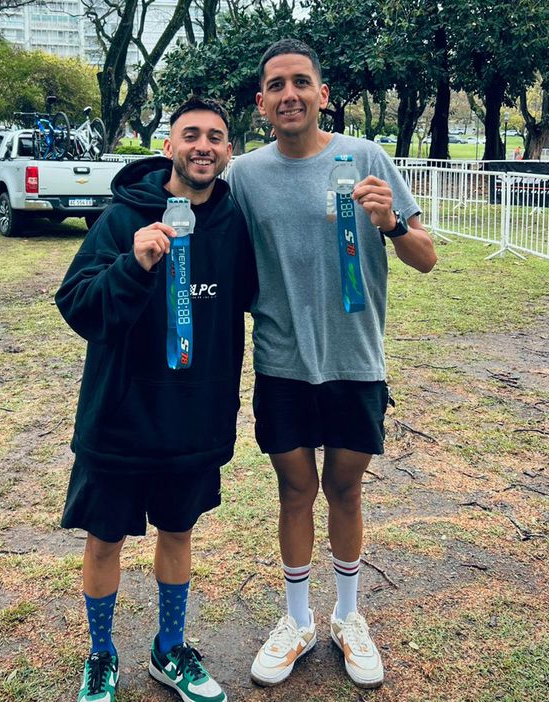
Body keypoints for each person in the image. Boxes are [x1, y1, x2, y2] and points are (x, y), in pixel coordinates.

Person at [227, 39, 437, 690]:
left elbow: (427, 256)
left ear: (322, 94)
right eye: (276, 86)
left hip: (356, 361)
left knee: (345, 490)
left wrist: (393, 225)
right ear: (262, 103)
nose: (290, 94)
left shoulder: (366, 159)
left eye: (302, 82)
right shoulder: (243, 176)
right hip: (283, 363)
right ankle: (297, 622)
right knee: (295, 491)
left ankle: (348, 617)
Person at [55, 96, 256, 702]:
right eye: (190, 135)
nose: (203, 146)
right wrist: (134, 265)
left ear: (227, 151)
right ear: (168, 146)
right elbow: (78, 304)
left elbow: (254, 300)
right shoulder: (122, 217)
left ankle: (170, 648)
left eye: (216, 137)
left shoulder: (234, 224)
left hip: (193, 422)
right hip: (119, 419)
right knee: (104, 539)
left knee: (178, 532)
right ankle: (101, 654)